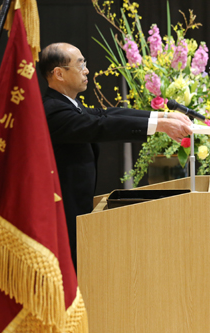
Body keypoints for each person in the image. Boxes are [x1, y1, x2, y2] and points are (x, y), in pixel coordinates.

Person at [39, 43, 192, 271]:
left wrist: (159, 116)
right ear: (59, 73)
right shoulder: (53, 110)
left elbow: (106, 113)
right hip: (61, 209)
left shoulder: (66, 104)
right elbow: (101, 125)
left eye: (85, 63)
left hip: (74, 204)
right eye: (80, 64)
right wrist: (159, 124)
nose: (86, 70)